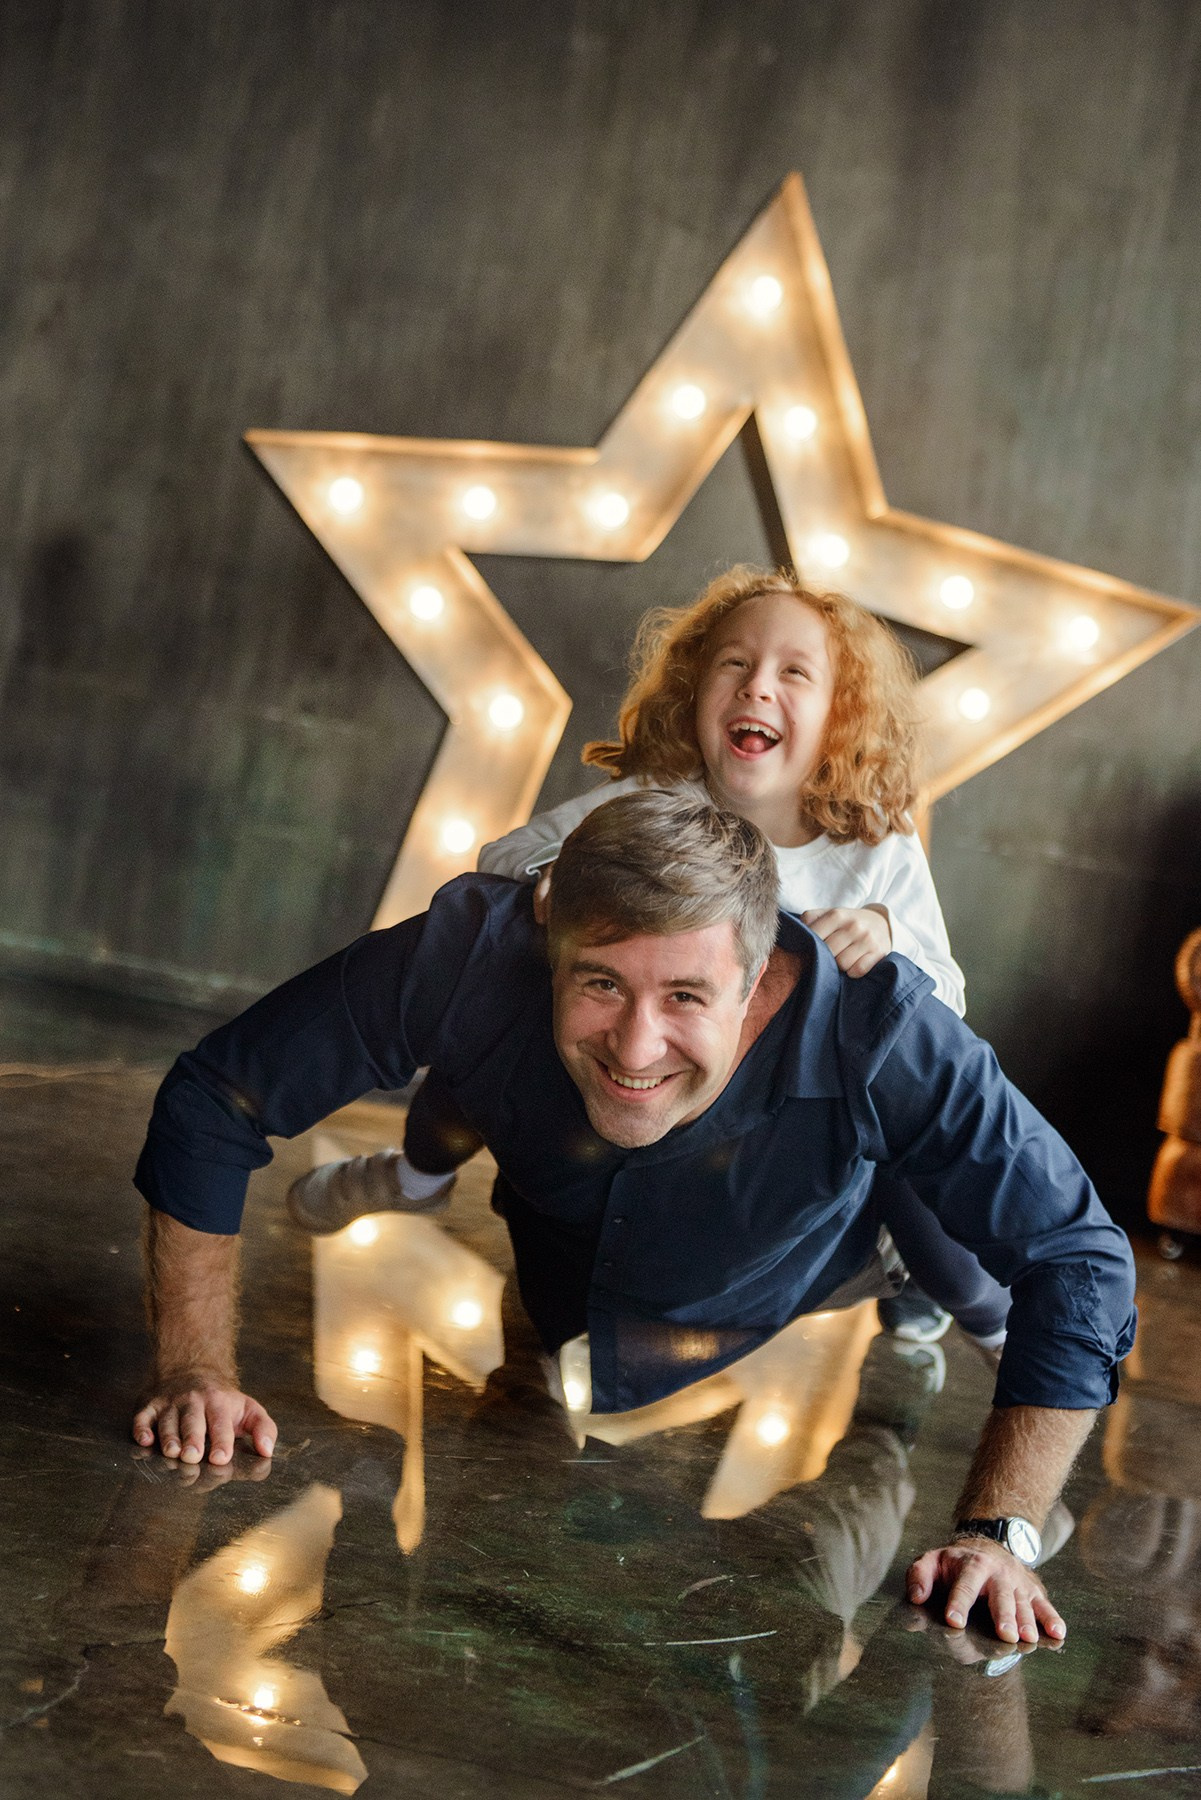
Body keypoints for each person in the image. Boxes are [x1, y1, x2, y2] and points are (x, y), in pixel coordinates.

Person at [133, 790, 1135, 1646]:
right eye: (600, 982)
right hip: (567, 1289)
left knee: (837, 1535)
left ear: (758, 977)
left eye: (687, 996)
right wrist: (196, 1371)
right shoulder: (478, 949)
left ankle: (916, 1287)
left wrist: (998, 1537)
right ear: (548, 941)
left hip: (815, 1263)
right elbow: (216, 1096)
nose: (638, 1045)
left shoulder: (884, 1029)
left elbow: (1079, 1256)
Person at [363, 565, 1002, 1348]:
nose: (755, 687)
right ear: (695, 689)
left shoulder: (872, 847)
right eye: (733, 663)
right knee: (493, 990)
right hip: (656, 1102)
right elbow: (501, 855)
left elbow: (951, 1004)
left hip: (796, 1134)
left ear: (843, 716)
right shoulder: (653, 801)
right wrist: (555, 872)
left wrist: (889, 936)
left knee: (924, 1163)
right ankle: (416, 1176)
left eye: (793, 672)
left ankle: (981, 1318)